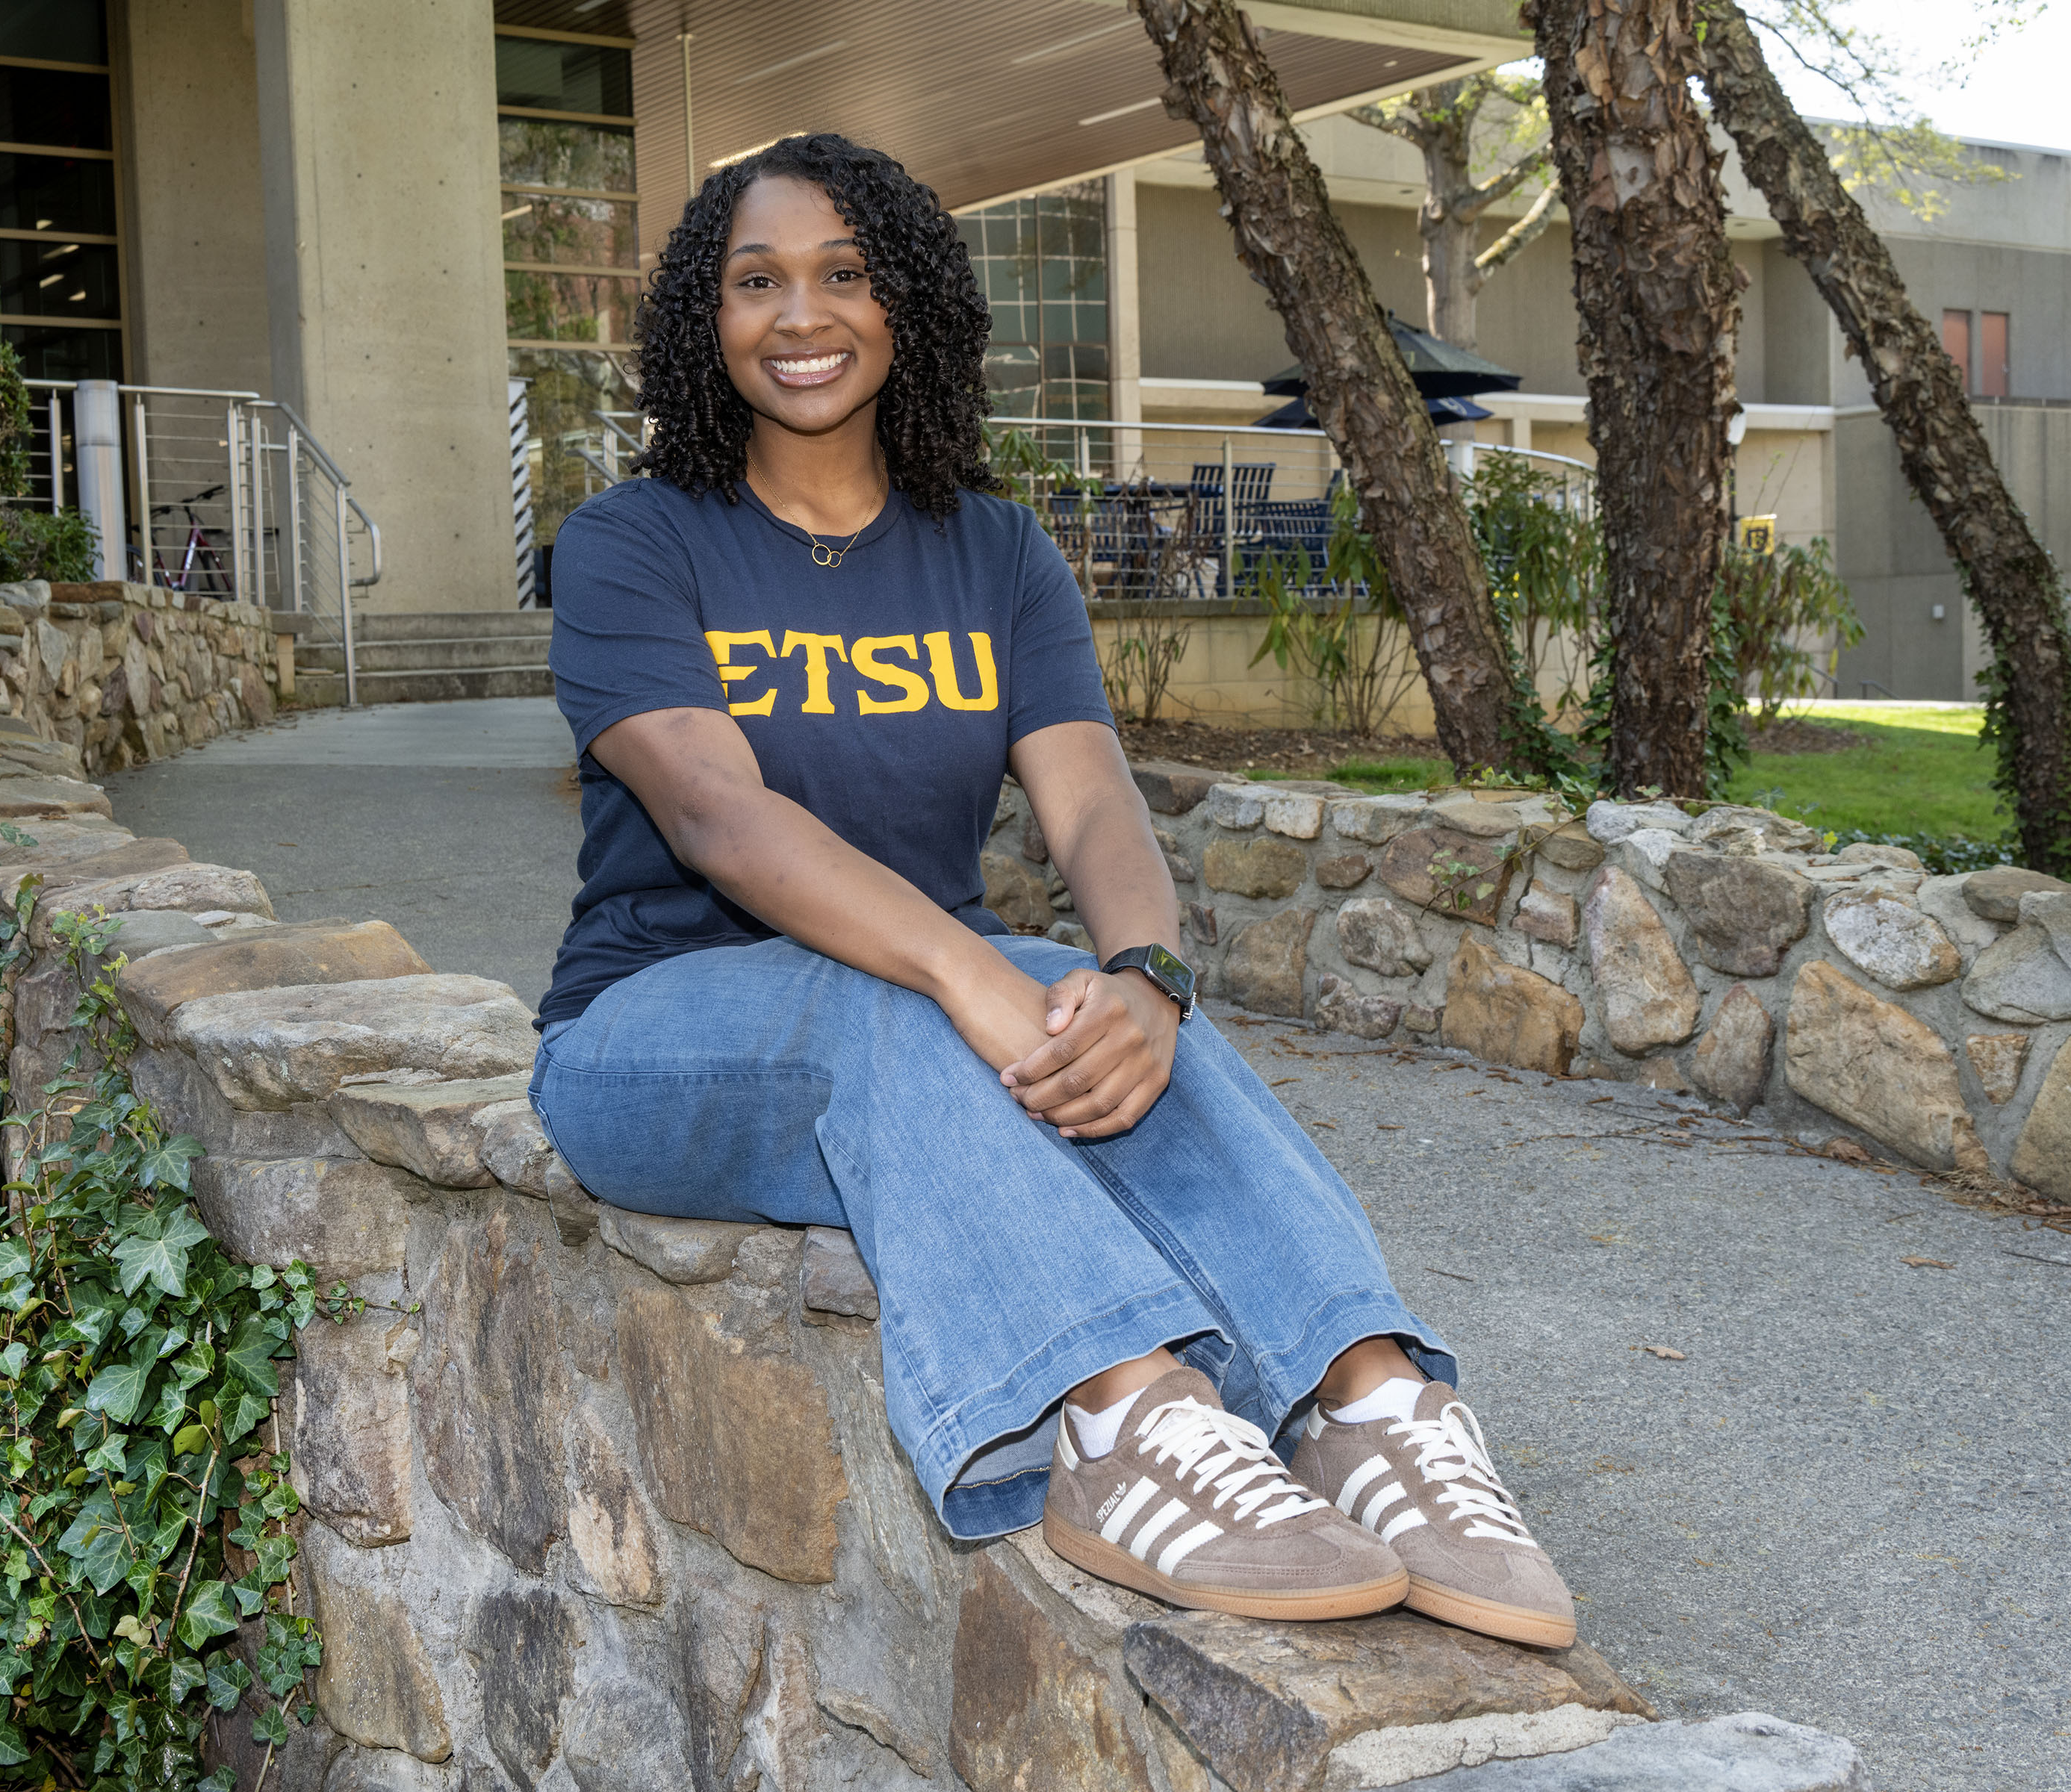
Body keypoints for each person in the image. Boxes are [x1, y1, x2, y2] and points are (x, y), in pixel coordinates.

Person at [526, 134, 1574, 1644]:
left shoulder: (996, 552)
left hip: (903, 1015)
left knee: (1077, 992)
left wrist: (1145, 977)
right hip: (647, 1035)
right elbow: (718, 818)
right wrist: (964, 970)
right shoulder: (638, 543)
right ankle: (1120, 1420)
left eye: (843, 274)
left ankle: (1369, 1401)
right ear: (709, 316)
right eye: (757, 281)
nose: (800, 315)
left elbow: (1088, 798)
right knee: (906, 991)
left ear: (910, 310)